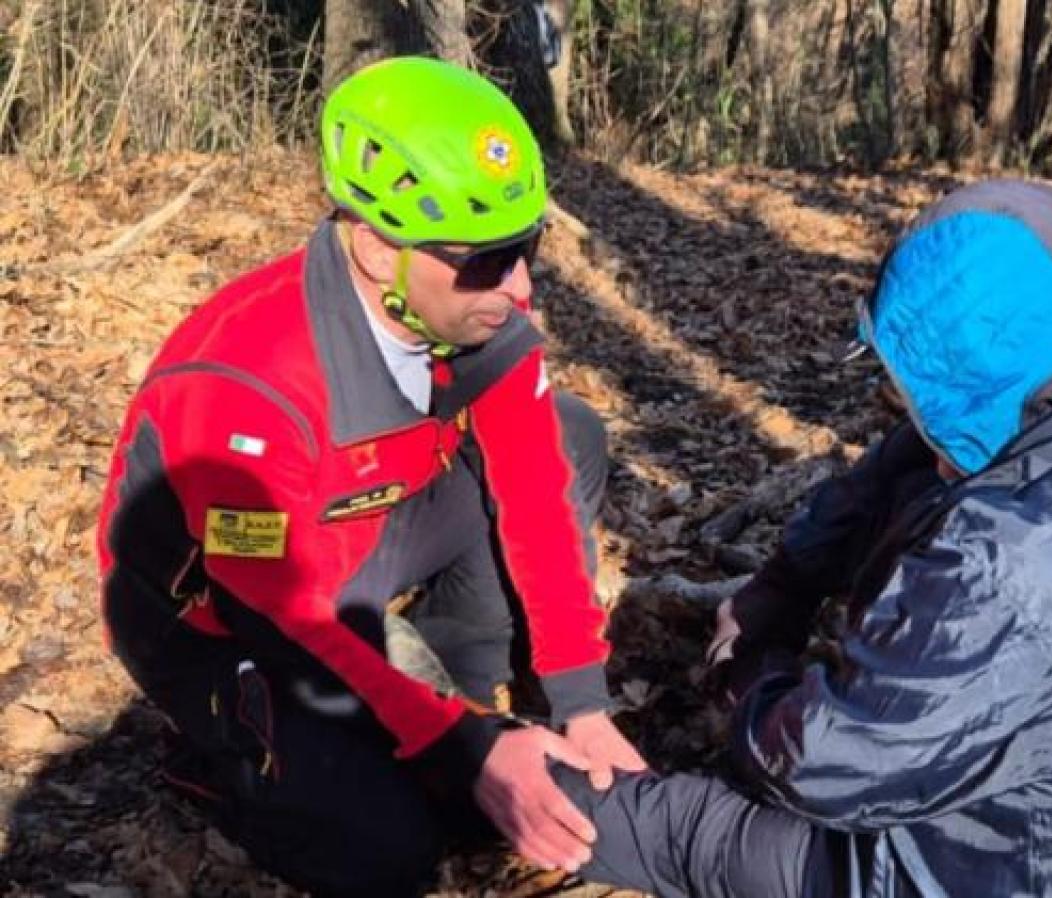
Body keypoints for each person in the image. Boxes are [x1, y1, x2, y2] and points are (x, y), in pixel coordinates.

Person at [535, 178, 1052, 898]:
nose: (904, 416)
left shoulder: (1006, 559)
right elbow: (903, 464)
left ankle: (492, 781)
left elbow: (819, 765)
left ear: (973, 395)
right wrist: (783, 587)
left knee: (697, 831)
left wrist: (744, 674)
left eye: (915, 395)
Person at [96, 56, 646, 896]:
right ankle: (213, 760)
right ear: (376, 244)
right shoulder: (251, 381)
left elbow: (538, 489)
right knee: (385, 853)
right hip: (219, 617)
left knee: (569, 433)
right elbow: (281, 617)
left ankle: (462, 672)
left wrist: (582, 702)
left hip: (362, 530)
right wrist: (465, 748)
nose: (520, 286)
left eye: (528, 248)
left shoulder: (478, 310)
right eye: (486, 260)